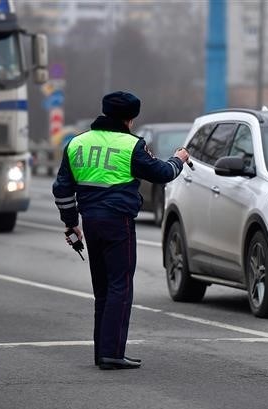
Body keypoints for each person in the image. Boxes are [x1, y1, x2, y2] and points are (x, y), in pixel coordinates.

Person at [52, 91, 189, 370]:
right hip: (119, 222)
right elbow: (162, 174)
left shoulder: (76, 143)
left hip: (90, 222)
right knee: (120, 287)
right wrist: (179, 159)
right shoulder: (132, 145)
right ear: (130, 119)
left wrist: (70, 223)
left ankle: (102, 352)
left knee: (102, 290)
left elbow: (62, 188)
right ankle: (113, 353)